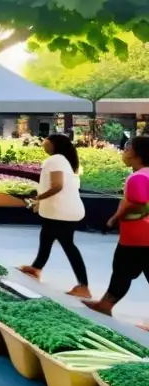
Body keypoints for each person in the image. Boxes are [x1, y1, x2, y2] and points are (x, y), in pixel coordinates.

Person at [84, 136, 149, 322]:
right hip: (139, 236)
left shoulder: (138, 177)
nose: (124, 153)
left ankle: (106, 304)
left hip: (139, 235)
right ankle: (105, 304)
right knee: (122, 270)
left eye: (128, 149)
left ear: (138, 154)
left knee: (122, 269)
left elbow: (137, 203)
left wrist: (114, 218)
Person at [17, 134, 90, 297]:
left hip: (60, 212)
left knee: (68, 245)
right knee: (46, 236)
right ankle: (36, 268)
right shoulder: (64, 160)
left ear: (54, 145)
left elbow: (57, 185)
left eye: (46, 142)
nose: (43, 144)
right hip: (63, 211)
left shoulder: (56, 160)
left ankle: (84, 286)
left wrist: (38, 198)